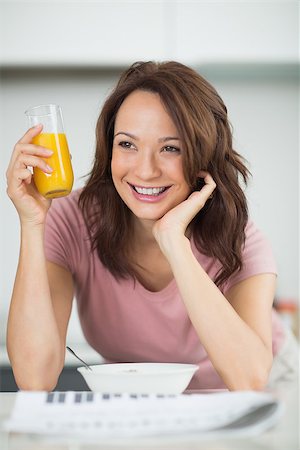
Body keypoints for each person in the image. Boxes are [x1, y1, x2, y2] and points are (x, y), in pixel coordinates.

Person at [6, 61, 297, 392]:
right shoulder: (72, 218)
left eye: (170, 148)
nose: (145, 171)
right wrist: (31, 224)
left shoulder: (240, 238)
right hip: (142, 398)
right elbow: (34, 379)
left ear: (203, 156)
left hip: (263, 383)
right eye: (127, 144)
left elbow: (249, 379)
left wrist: (174, 242)